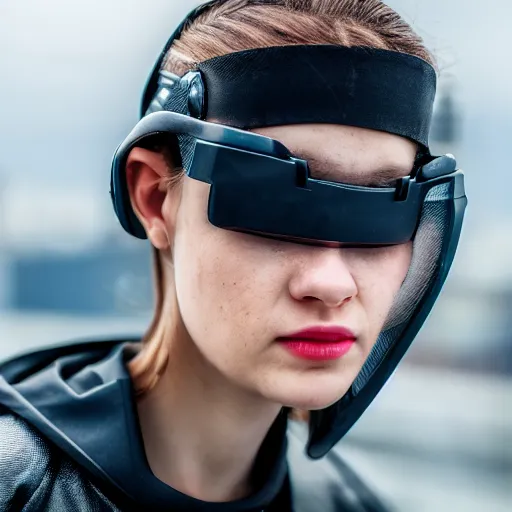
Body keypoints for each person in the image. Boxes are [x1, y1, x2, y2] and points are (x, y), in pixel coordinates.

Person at [0, 1, 467, 511]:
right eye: (276, 202)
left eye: (385, 213)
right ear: (156, 197)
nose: (332, 283)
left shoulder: (350, 504)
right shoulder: (18, 487)